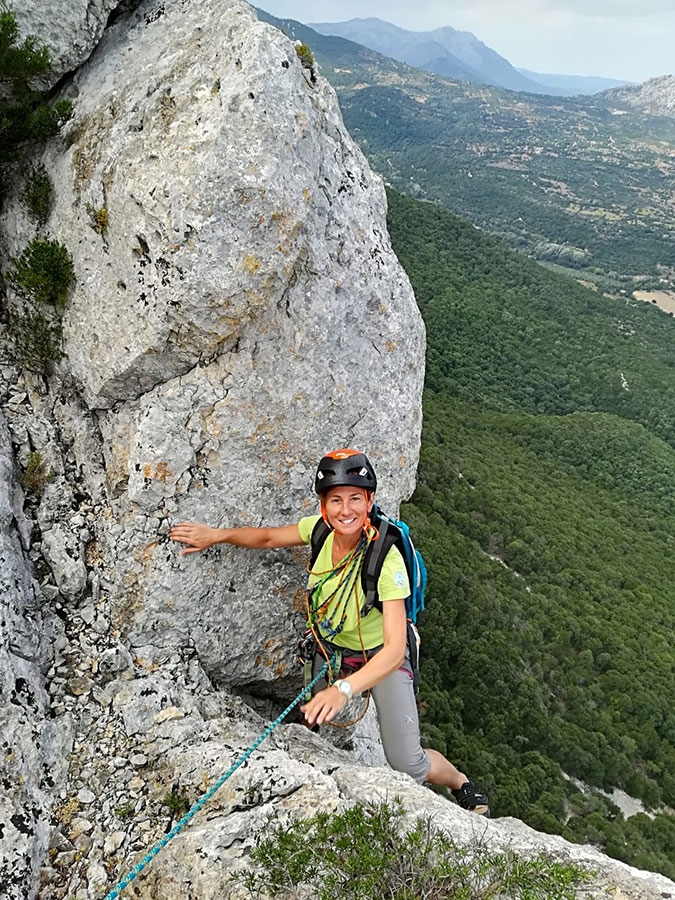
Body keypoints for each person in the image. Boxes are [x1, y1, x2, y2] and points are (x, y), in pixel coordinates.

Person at [170, 448, 489, 815]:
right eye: (336, 499)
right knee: (311, 721)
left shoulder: (385, 559)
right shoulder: (320, 530)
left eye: (356, 498)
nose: (346, 509)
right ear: (323, 504)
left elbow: (394, 648)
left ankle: (459, 781)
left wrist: (345, 688)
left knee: (407, 762)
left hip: (381, 658)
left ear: (369, 501)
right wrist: (217, 535)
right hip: (331, 650)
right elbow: (269, 538)